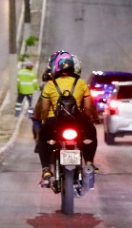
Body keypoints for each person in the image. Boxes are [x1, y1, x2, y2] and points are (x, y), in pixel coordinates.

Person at [33, 50, 98, 184]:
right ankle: (89, 162)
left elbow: (44, 108)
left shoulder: (50, 85)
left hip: (54, 122)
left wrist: (45, 121)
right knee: (92, 135)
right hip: (77, 122)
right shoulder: (81, 84)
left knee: (43, 141)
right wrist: (87, 121)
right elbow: (88, 107)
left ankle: (46, 169)